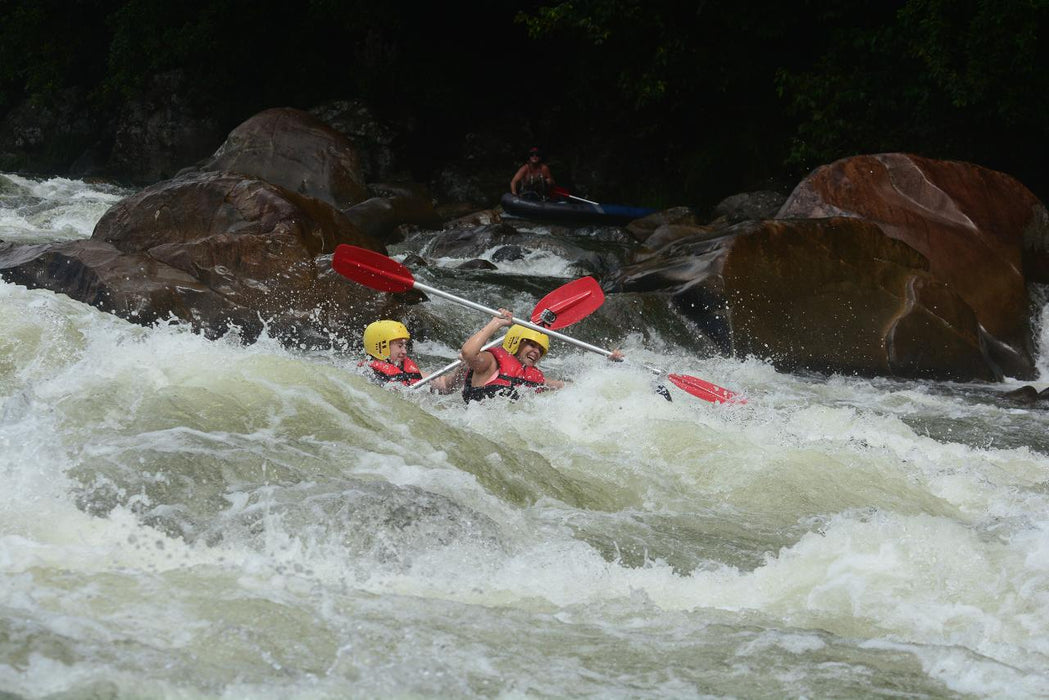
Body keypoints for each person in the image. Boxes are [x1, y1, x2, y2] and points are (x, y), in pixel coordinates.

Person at [460, 309, 622, 403]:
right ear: (516, 341)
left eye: (540, 349)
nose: (536, 352)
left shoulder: (531, 378)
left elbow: (573, 387)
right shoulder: (490, 362)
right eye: (531, 344)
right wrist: (497, 323)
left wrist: (608, 364)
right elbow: (468, 352)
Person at [361, 320, 458, 393]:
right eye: (399, 346)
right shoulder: (368, 375)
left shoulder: (405, 368)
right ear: (381, 347)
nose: (404, 351)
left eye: (405, 345)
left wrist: (463, 367)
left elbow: (445, 385)